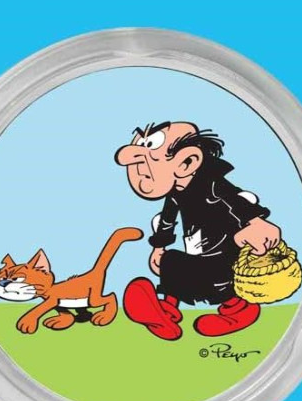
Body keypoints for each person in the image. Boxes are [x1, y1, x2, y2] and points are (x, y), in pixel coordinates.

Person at [114, 121, 281, 340]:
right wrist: (159, 248)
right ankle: (166, 311)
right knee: (171, 260)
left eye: (150, 160)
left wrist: (256, 223)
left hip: (226, 251)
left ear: (187, 162)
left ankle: (238, 309)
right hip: (197, 251)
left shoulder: (213, 184)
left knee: (216, 276)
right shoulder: (175, 192)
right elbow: (167, 220)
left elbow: (235, 201)